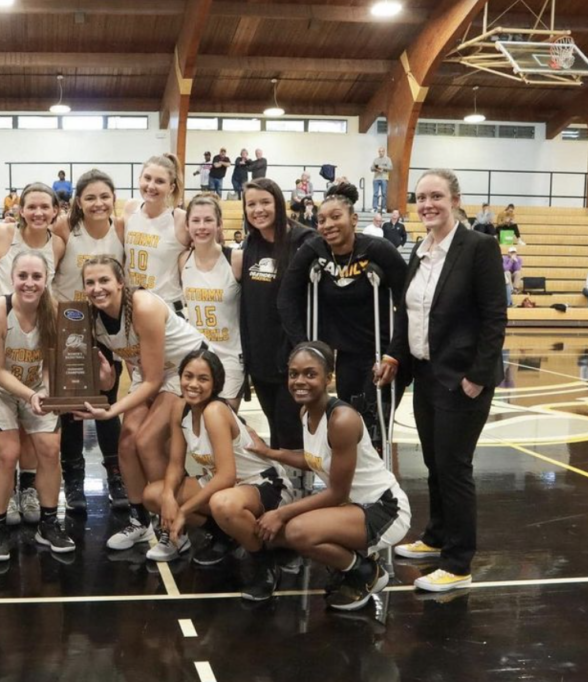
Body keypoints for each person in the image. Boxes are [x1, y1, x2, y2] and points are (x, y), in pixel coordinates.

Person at [376, 168, 507, 592]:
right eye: (421, 198)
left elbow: (493, 316)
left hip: (461, 379)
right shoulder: (422, 247)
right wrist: (396, 353)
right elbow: (409, 310)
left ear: (454, 199)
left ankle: (457, 562)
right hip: (426, 375)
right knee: (434, 463)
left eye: (436, 196)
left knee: (454, 468)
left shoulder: (479, 246)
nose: (427, 204)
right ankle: (435, 537)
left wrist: (479, 376)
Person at [248, 341, 411, 610]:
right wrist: (270, 452)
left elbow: (337, 492)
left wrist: (281, 513)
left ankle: (364, 572)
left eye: (310, 374)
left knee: (297, 531)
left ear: (329, 378)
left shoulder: (342, 419)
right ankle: (350, 566)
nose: (299, 381)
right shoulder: (307, 411)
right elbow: (315, 459)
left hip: (383, 509)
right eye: (294, 374)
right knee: (281, 533)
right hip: (352, 506)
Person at [78, 256, 206, 550]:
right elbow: (113, 379)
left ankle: (174, 528)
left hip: (186, 369)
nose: (97, 288)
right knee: (126, 442)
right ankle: (139, 520)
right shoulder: (92, 318)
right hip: (148, 370)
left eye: (104, 280)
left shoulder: (143, 306)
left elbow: (154, 379)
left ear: (121, 283)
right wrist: (106, 380)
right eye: (90, 282)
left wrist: (110, 409)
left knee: (147, 440)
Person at [144, 351, 293, 587]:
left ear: (215, 384)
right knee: (154, 495)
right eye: (188, 376)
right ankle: (226, 535)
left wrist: (183, 511)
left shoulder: (215, 412)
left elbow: (226, 476)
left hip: (262, 484)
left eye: (203, 379)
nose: (193, 384)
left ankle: (264, 562)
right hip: (224, 485)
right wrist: (169, 498)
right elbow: (175, 463)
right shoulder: (180, 408)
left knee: (221, 503)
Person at [279, 182, 407, 452]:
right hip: (346, 356)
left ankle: (377, 491)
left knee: (373, 428)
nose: (327, 225)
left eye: (336, 217)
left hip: (380, 354)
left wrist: (395, 353)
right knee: (348, 428)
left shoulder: (377, 249)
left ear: (354, 219)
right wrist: (306, 347)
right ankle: (347, 488)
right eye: (322, 220)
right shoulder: (315, 249)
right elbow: (286, 297)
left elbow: (407, 300)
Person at [0, 252, 75, 561]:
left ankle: (48, 524)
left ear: (47, 280)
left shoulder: (55, 312)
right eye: (23, 276)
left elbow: (50, 362)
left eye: (36, 277)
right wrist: (29, 396)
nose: (29, 283)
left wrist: (45, 391)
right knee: (7, 453)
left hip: (35, 385)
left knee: (49, 449)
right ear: (12, 278)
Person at [51, 169, 127, 512]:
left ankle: (115, 473)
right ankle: (74, 481)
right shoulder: (66, 229)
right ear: (78, 202)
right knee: (70, 409)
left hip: (107, 322)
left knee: (107, 403)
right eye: (90, 197)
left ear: (114, 199)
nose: (98, 203)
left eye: (104, 196)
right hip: (69, 326)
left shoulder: (122, 229)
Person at [240, 179, 313, 452]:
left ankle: (300, 488)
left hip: (293, 356)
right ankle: (285, 489)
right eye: (251, 204)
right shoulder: (250, 245)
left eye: (265, 202)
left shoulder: (304, 241)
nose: (258, 209)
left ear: (278, 204)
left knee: (290, 427)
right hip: (260, 355)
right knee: (275, 426)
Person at [179, 194, 245, 410]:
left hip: (231, 357)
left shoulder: (235, 259)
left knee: (221, 421)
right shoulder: (182, 261)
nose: (201, 226)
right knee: (196, 427)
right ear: (187, 225)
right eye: (196, 221)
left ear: (219, 225)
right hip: (197, 356)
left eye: (208, 220)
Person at [123, 153, 190, 313]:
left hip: (166, 309)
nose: (151, 186)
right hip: (131, 306)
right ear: (140, 179)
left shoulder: (180, 218)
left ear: (171, 187)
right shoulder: (130, 208)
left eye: (160, 181)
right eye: (147, 178)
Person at [0, 182, 65, 300]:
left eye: (45, 207)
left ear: (54, 211)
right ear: (22, 210)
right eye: (31, 207)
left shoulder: (57, 245)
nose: (38, 213)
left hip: (38, 317)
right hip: (0, 316)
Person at [371, 147, 392, 213]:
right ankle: (375, 208)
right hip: (376, 178)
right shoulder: (376, 159)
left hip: (384, 178)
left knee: (384, 193)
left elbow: (391, 167)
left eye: (382, 151)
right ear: (378, 152)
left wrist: (382, 168)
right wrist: (376, 169)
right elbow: (371, 168)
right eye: (379, 151)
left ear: (384, 152)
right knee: (375, 193)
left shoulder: (388, 159)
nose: (381, 152)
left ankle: (383, 208)